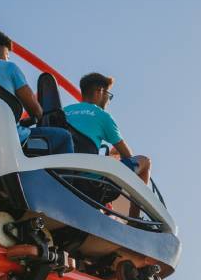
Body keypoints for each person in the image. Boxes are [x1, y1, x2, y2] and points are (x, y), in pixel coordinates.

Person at [64, 73, 152, 216]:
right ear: (100, 91)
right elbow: (128, 156)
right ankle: (134, 221)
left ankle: (103, 210)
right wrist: (115, 154)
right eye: (108, 95)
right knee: (145, 162)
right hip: (89, 184)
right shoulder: (102, 116)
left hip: (60, 174)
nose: (108, 101)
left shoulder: (64, 111)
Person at [0, 30, 74, 154]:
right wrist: (33, 118)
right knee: (64, 137)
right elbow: (36, 111)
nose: (7, 59)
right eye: (7, 55)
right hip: (11, 138)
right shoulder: (9, 67)